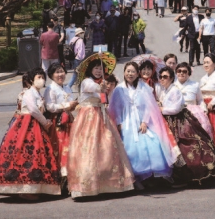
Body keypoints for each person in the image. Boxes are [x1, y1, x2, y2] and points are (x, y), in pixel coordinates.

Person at [0, 68, 61, 199]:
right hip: (27, 124)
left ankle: (34, 188)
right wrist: (44, 122)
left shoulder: (37, 93)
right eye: (38, 77)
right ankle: (24, 189)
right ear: (31, 80)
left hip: (36, 124)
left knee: (37, 156)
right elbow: (33, 110)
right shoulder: (28, 93)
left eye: (42, 77)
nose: (41, 80)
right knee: (26, 155)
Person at [67, 58, 135, 197]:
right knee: (89, 149)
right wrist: (101, 87)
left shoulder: (99, 83)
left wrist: (104, 89)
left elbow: (103, 97)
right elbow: (92, 88)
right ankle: (86, 186)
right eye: (96, 68)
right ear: (90, 70)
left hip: (101, 116)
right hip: (88, 117)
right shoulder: (87, 81)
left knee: (107, 148)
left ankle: (108, 184)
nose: (98, 71)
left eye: (101, 69)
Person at [109, 62, 178, 185]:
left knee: (152, 143)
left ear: (137, 73)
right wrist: (119, 123)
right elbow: (116, 108)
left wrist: (145, 121)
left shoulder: (143, 87)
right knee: (131, 148)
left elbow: (149, 106)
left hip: (142, 119)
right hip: (127, 120)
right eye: (128, 71)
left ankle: (152, 176)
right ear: (124, 72)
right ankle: (135, 179)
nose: (130, 74)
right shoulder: (119, 89)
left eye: (133, 71)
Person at [156, 66, 215, 186]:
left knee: (185, 146)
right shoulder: (165, 90)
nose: (162, 79)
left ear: (171, 78)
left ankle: (190, 175)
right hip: (170, 120)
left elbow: (176, 108)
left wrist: (162, 109)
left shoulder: (175, 90)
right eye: (160, 77)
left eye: (165, 77)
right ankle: (179, 176)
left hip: (179, 121)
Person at [44, 63, 78, 181]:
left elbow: (71, 102)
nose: (60, 75)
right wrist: (66, 105)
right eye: (57, 72)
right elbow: (49, 106)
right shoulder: (50, 89)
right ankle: (59, 178)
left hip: (68, 120)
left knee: (70, 148)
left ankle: (70, 177)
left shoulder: (67, 87)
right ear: (51, 75)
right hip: (57, 123)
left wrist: (73, 106)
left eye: (62, 71)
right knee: (59, 148)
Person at [174, 62, 212, 137]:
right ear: (176, 72)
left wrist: (203, 110)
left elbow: (200, 100)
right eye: (179, 71)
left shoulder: (195, 85)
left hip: (193, 112)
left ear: (189, 73)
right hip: (176, 111)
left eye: (184, 71)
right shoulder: (172, 85)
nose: (181, 73)